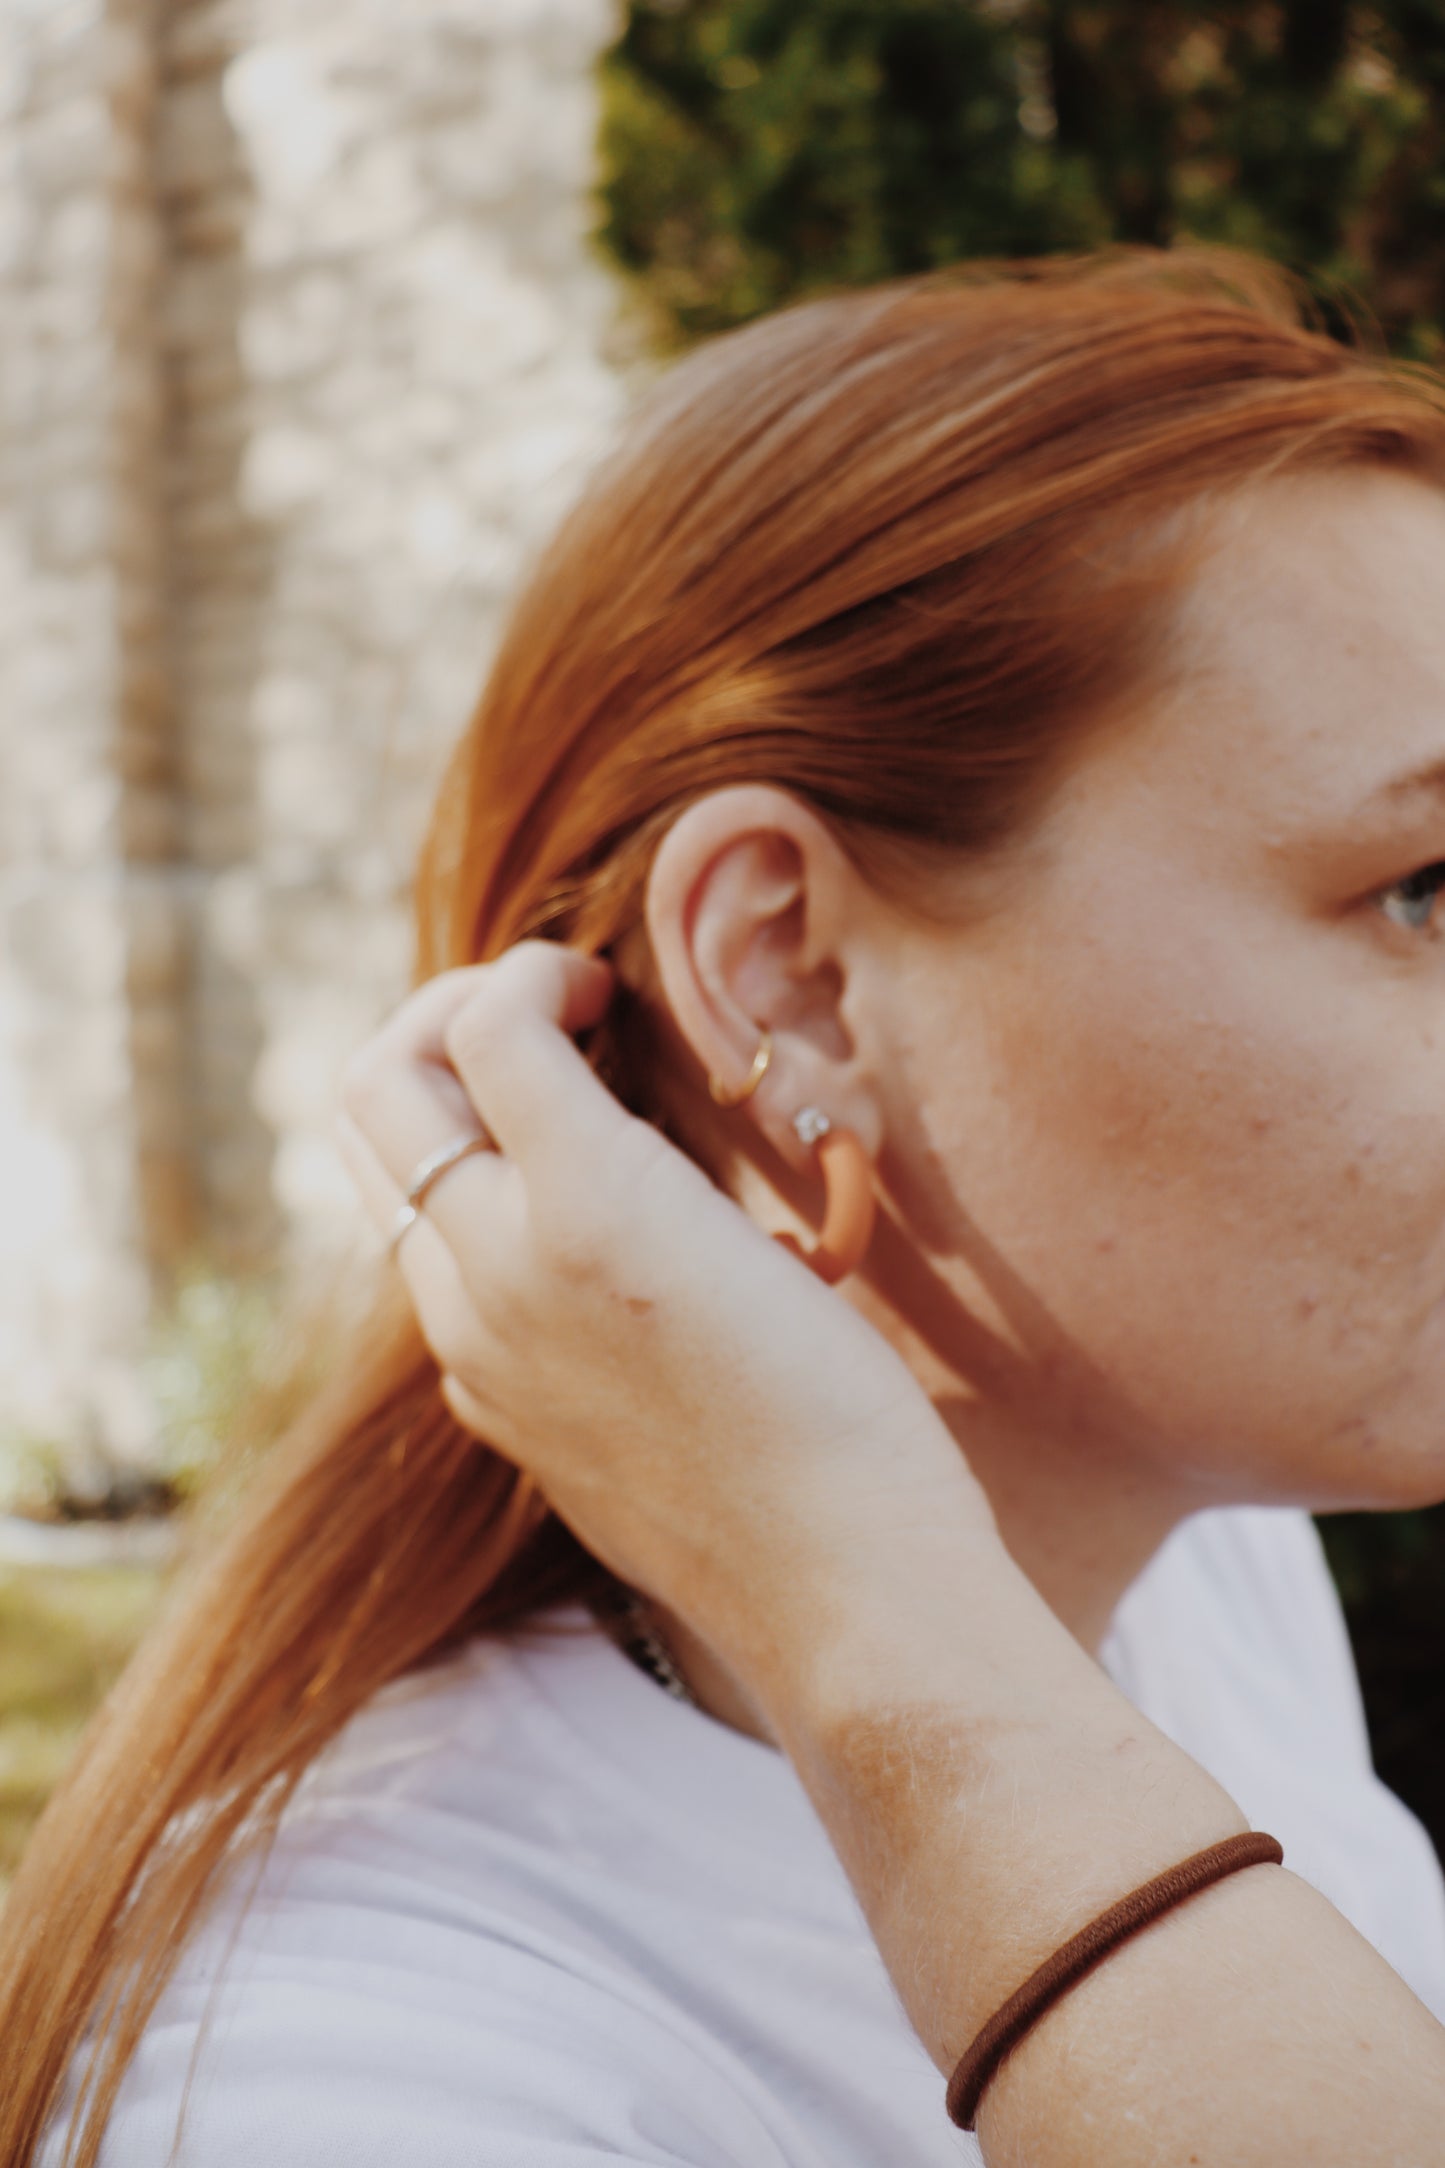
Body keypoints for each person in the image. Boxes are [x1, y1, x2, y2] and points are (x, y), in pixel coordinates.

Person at [7, 247, 1445, 2165]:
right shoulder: (351, 2080)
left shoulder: (1194, 1561)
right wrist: (869, 1620)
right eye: (1425, 889)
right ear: (785, 978)